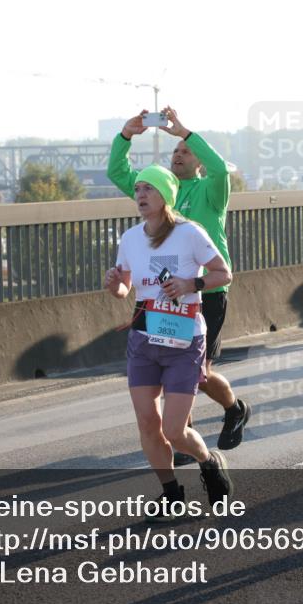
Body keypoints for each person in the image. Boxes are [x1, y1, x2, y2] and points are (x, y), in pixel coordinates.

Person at [109, 107, 250, 464]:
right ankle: (182, 442)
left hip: (207, 291)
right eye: (175, 152)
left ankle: (233, 408)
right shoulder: (159, 192)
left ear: (198, 161)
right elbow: (118, 172)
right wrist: (126, 134)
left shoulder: (210, 190)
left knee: (199, 373)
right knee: (179, 366)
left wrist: (184, 132)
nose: (178, 154)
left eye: (185, 152)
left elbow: (220, 168)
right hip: (160, 301)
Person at [104, 165, 233, 518]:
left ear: (165, 196)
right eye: (138, 189)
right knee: (147, 422)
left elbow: (224, 273)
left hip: (184, 339)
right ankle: (171, 493)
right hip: (144, 338)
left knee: (174, 430)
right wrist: (114, 282)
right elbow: (123, 289)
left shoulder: (190, 233)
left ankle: (208, 462)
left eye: (149, 189)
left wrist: (192, 285)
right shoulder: (130, 238)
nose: (140, 194)